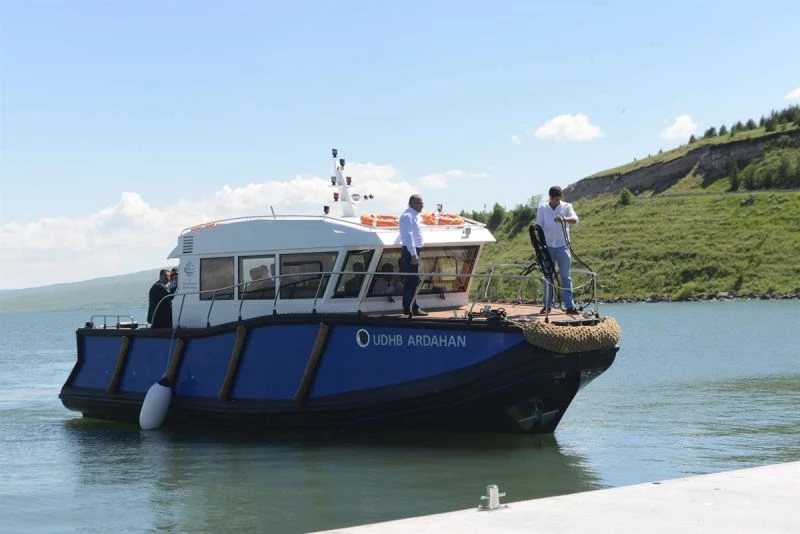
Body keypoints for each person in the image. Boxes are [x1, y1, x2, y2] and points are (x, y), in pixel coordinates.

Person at [535, 186, 579, 315]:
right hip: (547, 246)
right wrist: (536, 230)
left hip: (563, 246)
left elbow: (575, 220)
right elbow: (539, 225)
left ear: (561, 198)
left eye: (558, 199)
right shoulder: (543, 208)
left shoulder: (567, 206)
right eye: (554, 199)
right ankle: (547, 305)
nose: (555, 202)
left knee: (565, 276)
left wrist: (564, 219)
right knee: (548, 276)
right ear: (550, 197)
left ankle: (569, 306)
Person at [399, 194, 428, 316]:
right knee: (412, 280)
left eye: (422, 204)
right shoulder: (407, 216)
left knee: (413, 280)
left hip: (415, 250)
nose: (421, 206)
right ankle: (411, 308)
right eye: (418, 203)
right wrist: (413, 255)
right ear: (411, 203)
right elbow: (408, 236)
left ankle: (410, 307)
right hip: (411, 251)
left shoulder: (415, 216)